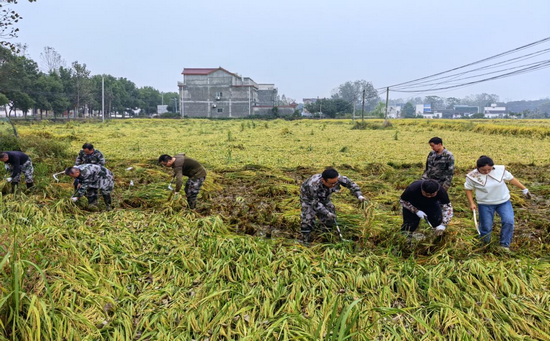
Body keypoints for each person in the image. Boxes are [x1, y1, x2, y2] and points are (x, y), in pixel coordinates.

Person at [464, 156, 530, 251]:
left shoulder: (500, 171)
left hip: (503, 201)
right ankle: (485, 245)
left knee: (509, 221)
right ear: (477, 167)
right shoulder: (472, 176)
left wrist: (524, 189)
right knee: (486, 226)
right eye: (483, 170)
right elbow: (468, 189)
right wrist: (471, 203)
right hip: (485, 203)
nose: (487, 172)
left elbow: (511, 179)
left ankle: (504, 245)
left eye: (489, 169)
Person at [300, 167, 365, 242]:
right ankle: (305, 240)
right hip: (309, 199)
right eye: (331, 183)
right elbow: (315, 204)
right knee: (308, 219)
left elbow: (351, 184)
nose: (334, 185)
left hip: (324, 198)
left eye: (335, 183)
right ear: (323, 180)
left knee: (330, 218)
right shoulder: (312, 185)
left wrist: (359, 195)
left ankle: (326, 236)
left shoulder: (337, 178)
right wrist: (326, 213)